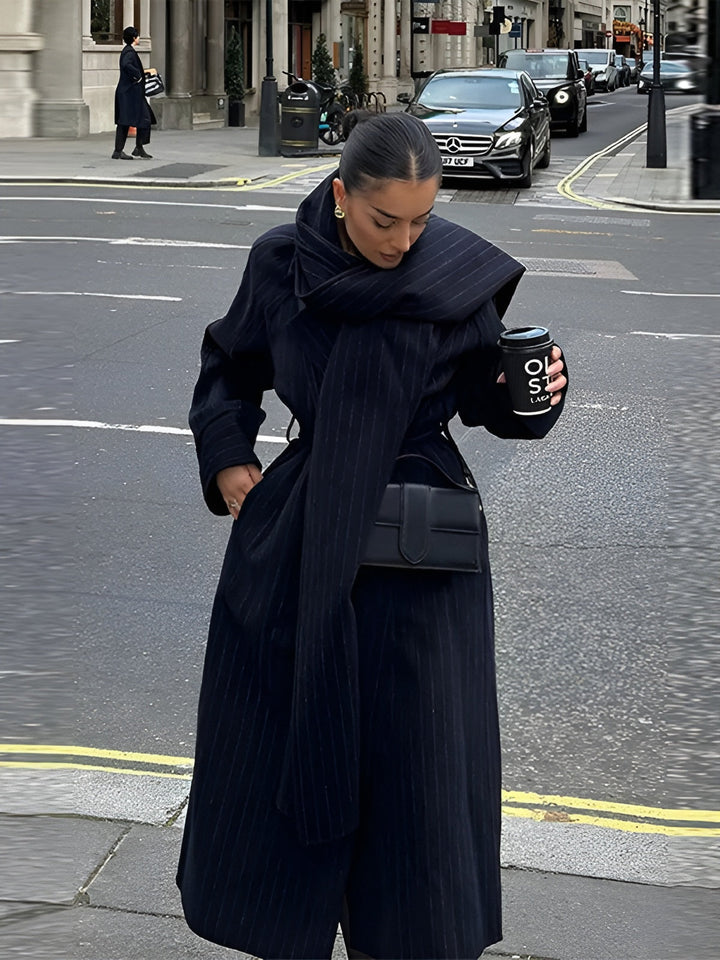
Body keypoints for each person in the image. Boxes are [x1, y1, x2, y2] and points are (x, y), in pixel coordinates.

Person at [177, 112, 567, 960]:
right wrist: (228, 459)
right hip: (300, 541)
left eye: (422, 219)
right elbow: (229, 365)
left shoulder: (458, 274)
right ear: (340, 192)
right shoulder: (282, 264)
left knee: (420, 778)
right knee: (279, 741)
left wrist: (532, 396)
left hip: (422, 555)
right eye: (386, 219)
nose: (405, 240)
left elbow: (488, 402)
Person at [112, 26, 155, 160]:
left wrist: (143, 73)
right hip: (129, 93)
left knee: (143, 119)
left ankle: (138, 148)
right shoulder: (129, 52)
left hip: (131, 93)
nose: (139, 38)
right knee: (127, 121)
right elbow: (126, 65)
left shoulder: (128, 51)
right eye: (137, 36)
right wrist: (138, 76)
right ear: (134, 38)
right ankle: (119, 151)